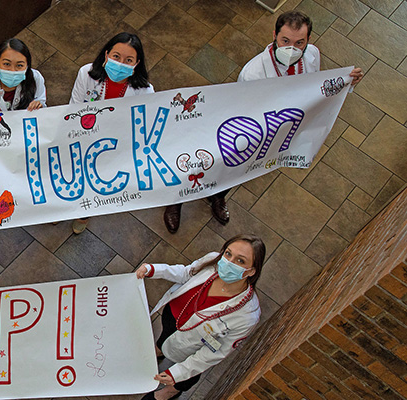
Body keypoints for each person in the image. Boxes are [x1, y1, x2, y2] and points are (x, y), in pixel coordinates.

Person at [163, 10, 364, 234]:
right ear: (274, 36)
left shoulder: (312, 56)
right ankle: (176, 199)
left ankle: (217, 197)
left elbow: (317, 90)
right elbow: (242, 110)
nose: (292, 48)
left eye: (300, 42)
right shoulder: (253, 73)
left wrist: (347, 83)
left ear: (308, 41)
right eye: (285, 41)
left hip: (276, 129)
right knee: (207, 162)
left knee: (237, 170)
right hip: (243, 127)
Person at [136, 234, 265, 400]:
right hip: (172, 315)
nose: (229, 262)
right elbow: (186, 273)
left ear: (252, 271)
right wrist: (154, 269)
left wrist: (178, 373)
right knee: (165, 336)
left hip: (193, 344)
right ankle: (160, 349)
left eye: (240, 261)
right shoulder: (213, 260)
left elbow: (213, 353)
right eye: (228, 253)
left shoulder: (247, 316)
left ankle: (172, 391)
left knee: (189, 373)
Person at [69, 32, 154, 234]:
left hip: (114, 145)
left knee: (95, 181)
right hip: (82, 135)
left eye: (128, 60)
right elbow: (74, 108)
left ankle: (83, 213)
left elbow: (139, 126)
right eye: (116, 56)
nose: (121, 63)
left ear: (137, 63)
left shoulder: (145, 91)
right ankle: (61, 210)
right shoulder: (87, 73)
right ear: (106, 54)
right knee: (71, 176)